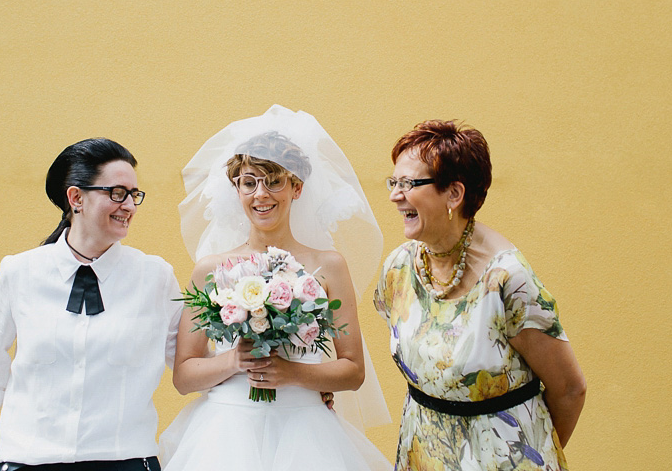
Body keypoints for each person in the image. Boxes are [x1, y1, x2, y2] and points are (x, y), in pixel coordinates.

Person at [160, 105, 391, 471]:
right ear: (236, 189)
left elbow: (353, 370)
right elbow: (184, 376)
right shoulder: (210, 269)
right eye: (249, 182)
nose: (260, 194)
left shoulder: (329, 265)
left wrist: (293, 372)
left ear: (297, 188)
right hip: (224, 433)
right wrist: (235, 360)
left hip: (306, 429)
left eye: (274, 181)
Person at [375, 120, 586, 471]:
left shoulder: (507, 279)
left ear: (454, 195)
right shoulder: (398, 268)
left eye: (409, 183)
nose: (395, 194)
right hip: (423, 453)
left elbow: (570, 390)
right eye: (394, 182)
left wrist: (524, 457)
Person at [0, 138, 182, 471]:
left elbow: (188, 363)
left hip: (124, 459)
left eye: (133, 195)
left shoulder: (155, 277)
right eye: (117, 193)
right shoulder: (20, 272)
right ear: (76, 198)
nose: (129, 206)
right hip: (29, 458)